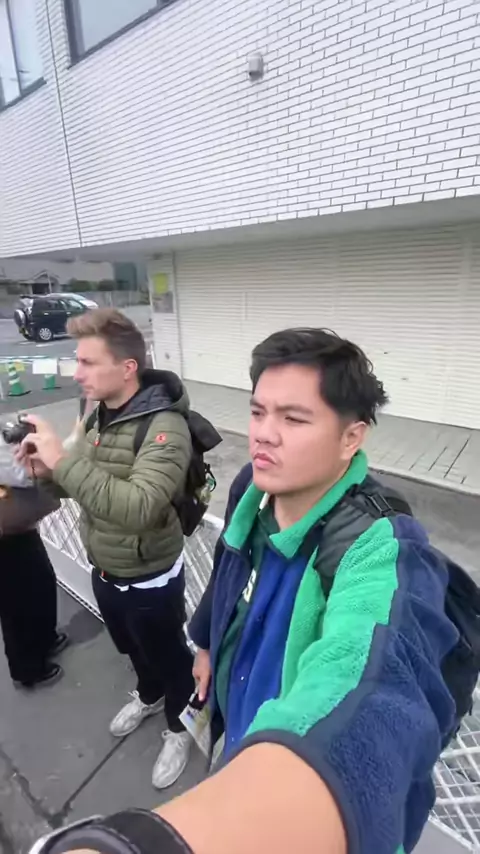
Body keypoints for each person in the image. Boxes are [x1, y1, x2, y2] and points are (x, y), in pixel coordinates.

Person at [31, 327, 459, 854]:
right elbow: (230, 566)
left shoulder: (383, 550)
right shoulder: (252, 491)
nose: (263, 435)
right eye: (258, 412)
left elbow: (370, 695)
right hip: (233, 716)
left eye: (293, 419)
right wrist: (207, 643)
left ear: (351, 437)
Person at [17, 308, 195, 790]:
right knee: (132, 647)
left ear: (127, 367)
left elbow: (138, 508)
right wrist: (46, 471)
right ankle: (149, 695)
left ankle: (180, 726)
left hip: (151, 574)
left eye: (88, 362)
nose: (77, 374)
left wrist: (63, 461)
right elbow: (80, 485)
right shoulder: (97, 415)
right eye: (77, 361)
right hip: (104, 565)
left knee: (170, 655)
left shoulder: (165, 428)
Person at [0, 483, 68, 688]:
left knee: (40, 580)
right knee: (14, 602)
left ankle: (44, 638)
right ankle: (26, 668)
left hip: (14, 521)